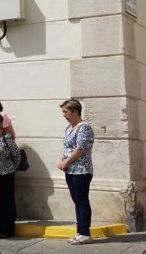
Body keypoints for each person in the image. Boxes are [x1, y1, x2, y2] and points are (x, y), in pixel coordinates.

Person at [58, 99, 95, 245]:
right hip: (70, 171)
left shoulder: (84, 127)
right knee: (77, 201)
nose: (64, 115)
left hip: (81, 170)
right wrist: (62, 160)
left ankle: (85, 233)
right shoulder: (68, 128)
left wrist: (66, 162)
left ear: (74, 111)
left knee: (82, 201)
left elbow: (80, 149)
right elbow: (66, 147)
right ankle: (79, 232)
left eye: (65, 112)